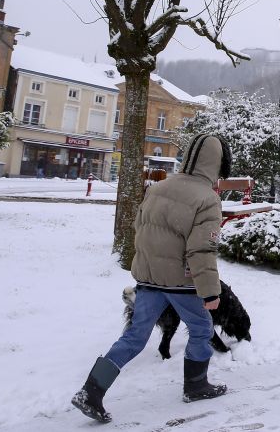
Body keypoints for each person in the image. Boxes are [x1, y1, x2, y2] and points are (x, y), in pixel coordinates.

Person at [72, 133, 233, 423]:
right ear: (216, 163)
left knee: (134, 336)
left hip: (149, 279)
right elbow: (202, 249)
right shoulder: (207, 199)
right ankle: (196, 386)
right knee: (201, 327)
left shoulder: (159, 188)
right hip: (182, 282)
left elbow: (140, 227)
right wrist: (210, 292)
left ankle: (91, 391)